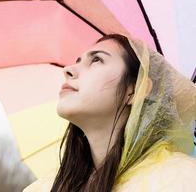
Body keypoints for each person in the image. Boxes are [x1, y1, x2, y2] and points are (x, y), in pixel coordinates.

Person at [23, 34, 196, 192]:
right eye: (77, 61)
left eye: (96, 60)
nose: (68, 70)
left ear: (135, 90)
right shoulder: (44, 188)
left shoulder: (179, 181)